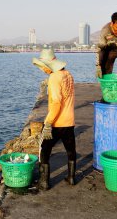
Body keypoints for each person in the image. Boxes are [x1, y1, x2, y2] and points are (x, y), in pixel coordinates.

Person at [32, 48, 76, 191]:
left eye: (43, 66)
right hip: (69, 121)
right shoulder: (68, 75)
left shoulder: (54, 78)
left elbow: (56, 103)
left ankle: (44, 183)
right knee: (70, 150)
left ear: (49, 65)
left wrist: (48, 123)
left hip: (57, 122)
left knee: (44, 151)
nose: (43, 70)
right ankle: (71, 177)